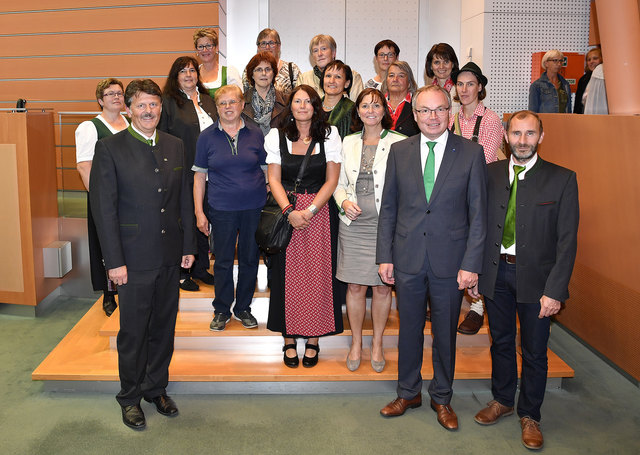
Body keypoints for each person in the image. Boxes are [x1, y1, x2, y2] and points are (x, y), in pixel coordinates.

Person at [377, 85, 487, 431]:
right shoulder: (399, 150)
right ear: (415, 114)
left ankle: (442, 397)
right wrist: (385, 256)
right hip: (407, 258)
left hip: (450, 262)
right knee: (408, 330)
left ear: (450, 111)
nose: (432, 117)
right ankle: (408, 392)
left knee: (444, 333)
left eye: (439, 110)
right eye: (424, 111)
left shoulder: (471, 152)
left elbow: (478, 214)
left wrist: (471, 263)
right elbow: (389, 208)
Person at [90, 79, 196, 430]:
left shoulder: (175, 145)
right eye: (141, 106)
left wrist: (188, 248)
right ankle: (130, 396)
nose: (149, 111)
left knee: (164, 327)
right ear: (128, 109)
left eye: (154, 105)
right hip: (131, 260)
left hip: (169, 255)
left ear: (160, 108)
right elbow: (104, 210)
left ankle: (155, 387)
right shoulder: (109, 148)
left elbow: (183, 201)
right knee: (133, 332)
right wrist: (113, 262)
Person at [473, 110, 579, 450]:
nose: (522, 141)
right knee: (500, 342)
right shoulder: (487, 174)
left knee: (534, 351)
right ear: (505, 135)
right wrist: (475, 271)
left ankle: (530, 414)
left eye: (530, 134)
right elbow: (476, 227)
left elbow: (567, 241)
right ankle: (502, 400)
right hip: (495, 273)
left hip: (538, 281)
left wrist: (555, 290)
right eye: (516, 133)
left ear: (541, 137)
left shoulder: (561, 179)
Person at [265, 85, 343, 368]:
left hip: (319, 214)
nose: (302, 106)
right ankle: (288, 338)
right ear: (291, 105)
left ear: (315, 106)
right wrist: (289, 212)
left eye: (308, 101)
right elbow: (273, 178)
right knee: (286, 277)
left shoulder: (329, 134)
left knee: (318, 277)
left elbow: (331, 180)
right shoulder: (277, 135)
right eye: (297, 101)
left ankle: (313, 339)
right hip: (287, 212)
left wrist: (308, 211)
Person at [334, 88, 406, 373]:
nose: (370, 110)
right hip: (353, 226)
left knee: (381, 286)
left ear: (384, 110)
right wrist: (344, 202)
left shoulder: (400, 142)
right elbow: (337, 183)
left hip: (386, 226)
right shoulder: (348, 142)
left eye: (376, 105)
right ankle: (356, 342)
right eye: (365, 106)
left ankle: (377, 343)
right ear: (358, 111)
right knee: (354, 285)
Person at [193, 85, 267, 332]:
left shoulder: (256, 133)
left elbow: (267, 170)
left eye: (232, 102)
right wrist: (199, 212)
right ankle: (222, 309)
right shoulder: (206, 137)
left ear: (241, 104)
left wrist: (265, 192)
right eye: (222, 103)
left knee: (249, 259)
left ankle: (243, 308)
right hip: (221, 209)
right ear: (217, 107)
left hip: (253, 208)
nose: (227, 107)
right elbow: (198, 178)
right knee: (223, 260)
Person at [448, 61, 504, 335]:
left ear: (480, 87)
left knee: (478, 247)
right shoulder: (452, 118)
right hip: (455, 192)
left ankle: (478, 308)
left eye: (470, 84)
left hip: (481, 189)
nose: (465, 89)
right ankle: (452, 298)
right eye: (460, 84)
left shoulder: (491, 119)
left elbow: (486, 159)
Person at [158, 56, 217, 292]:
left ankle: (202, 268)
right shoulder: (168, 102)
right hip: (183, 171)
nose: (189, 74)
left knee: (203, 220)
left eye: (192, 70)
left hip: (211, 172)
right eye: (183, 71)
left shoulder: (208, 100)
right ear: (175, 76)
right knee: (185, 221)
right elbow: (162, 137)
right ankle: (183, 273)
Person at [75, 78, 129, 316]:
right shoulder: (90, 127)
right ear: (100, 100)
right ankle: (109, 294)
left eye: (119, 93)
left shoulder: (128, 122)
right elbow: (84, 166)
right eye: (110, 94)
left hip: (128, 196)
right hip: (104, 197)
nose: (116, 97)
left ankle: (128, 288)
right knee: (106, 245)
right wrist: (99, 200)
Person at [297, 34, 364, 102]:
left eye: (324, 49)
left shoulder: (353, 76)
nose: (319, 54)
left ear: (333, 53)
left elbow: (358, 107)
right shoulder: (303, 79)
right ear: (312, 56)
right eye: (315, 50)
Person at [242, 28, 301, 95]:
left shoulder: (292, 69)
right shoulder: (249, 69)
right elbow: (247, 97)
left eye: (271, 43)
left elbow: (299, 97)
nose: (267, 47)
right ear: (258, 48)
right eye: (263, 43)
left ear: (279, 46)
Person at [242, 51, 288, 136]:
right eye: (259, 69)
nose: (264, 73)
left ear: (273, 73)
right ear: (252, 74)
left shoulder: (287, 101)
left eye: (268, 69)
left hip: (278, 148)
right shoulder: (241, 102)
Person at [193, 27, 242, 98]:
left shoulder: (229, 73)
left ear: (217, 48)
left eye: (209, 46)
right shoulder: (193, 74)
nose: (205, 50)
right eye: (200, 46)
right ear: (196, 50)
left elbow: (238, 101)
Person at [382, 61, 420, 137]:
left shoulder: (418, 104)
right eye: (391, 75)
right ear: (386, 81)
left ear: (409, 82)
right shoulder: (378, 104)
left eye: (401, 76)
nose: (395, 79)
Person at [528, 49, 571, 113]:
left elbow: (568, 109)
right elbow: (532, 112)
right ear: (546, 63)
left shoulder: (565, 84)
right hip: (545, 122)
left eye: (561, 61)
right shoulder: (536, 85)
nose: (559, 64)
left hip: (562, 122)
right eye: (555, 60)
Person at [321, 60, 355, 139]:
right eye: (328, 76)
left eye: (338, 77)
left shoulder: (352, 110)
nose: (332, 81)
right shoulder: (313, 107)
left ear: (347, 83)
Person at [424, 43, 460, 114]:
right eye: (437, 62)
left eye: (446, 62)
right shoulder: (426, 93)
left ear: (452, 64)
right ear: (431, 66)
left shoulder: (461, 90)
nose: (441, 67)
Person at [574, 47, 602, 114]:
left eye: (595, 58)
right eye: (589, 60)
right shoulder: (583, 80)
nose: (591, 61)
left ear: (602, 59)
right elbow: (578, 104)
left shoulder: (607, 79)